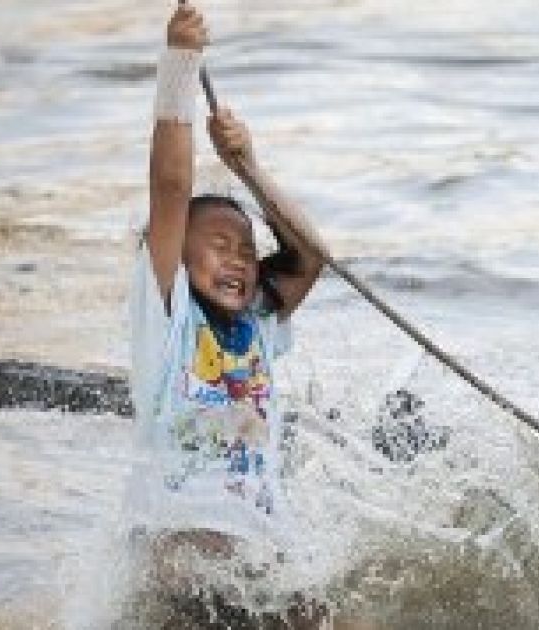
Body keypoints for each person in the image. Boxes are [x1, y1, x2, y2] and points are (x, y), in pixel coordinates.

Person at [127, 2, 329, 626]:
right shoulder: (168, 315)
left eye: (246, 249)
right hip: (176, 546)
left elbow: (312, 256)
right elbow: (169, 188)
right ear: (175, 259)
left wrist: (249, 167)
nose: (240, 259)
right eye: (219, 245)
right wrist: (180, 66)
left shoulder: (259, 325)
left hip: (257, 552)